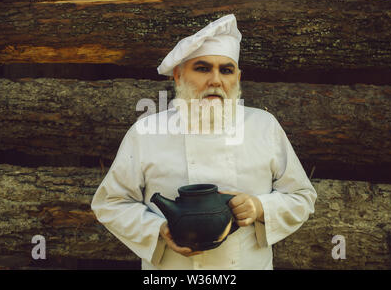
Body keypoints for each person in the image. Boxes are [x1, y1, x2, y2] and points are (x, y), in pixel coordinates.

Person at [91, 14, 317, 270]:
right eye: (202, 68)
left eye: (226, 70)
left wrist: (260, 207)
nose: (216, 80)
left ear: (238, 78)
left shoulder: (264, 126)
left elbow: (302, 196)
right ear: (178, 76)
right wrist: (159, 230)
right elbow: (111, 203)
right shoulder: (146, 132)